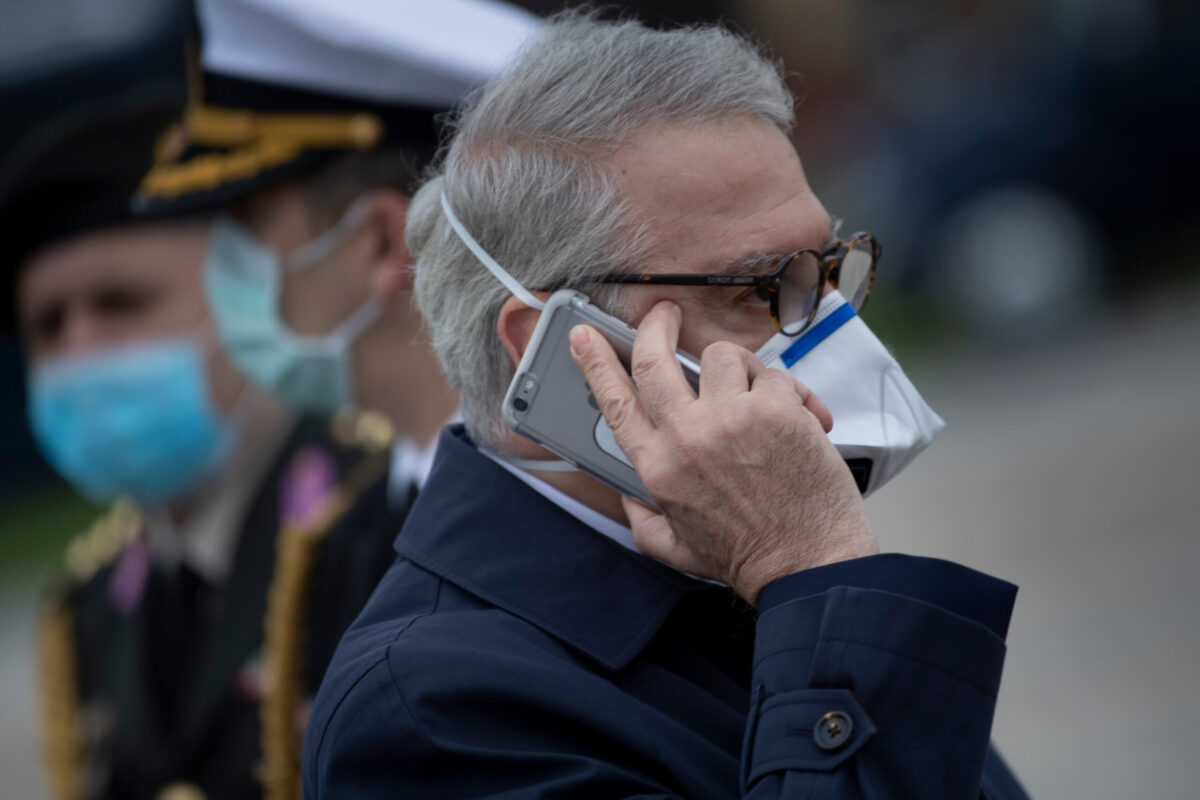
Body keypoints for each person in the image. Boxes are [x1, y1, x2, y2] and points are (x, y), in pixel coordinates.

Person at [304, 13, 1030, 799]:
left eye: (828, 269)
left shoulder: (734, 567)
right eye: (762, 287)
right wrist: (814, 572)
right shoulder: (433, 714)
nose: (832, 331)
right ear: (563, 349)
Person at [7, 3, 538, 800]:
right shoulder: (357, 532)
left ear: (379, 245)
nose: (82, 354)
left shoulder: (545, 502)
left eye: (246, 233)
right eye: (47, 326)